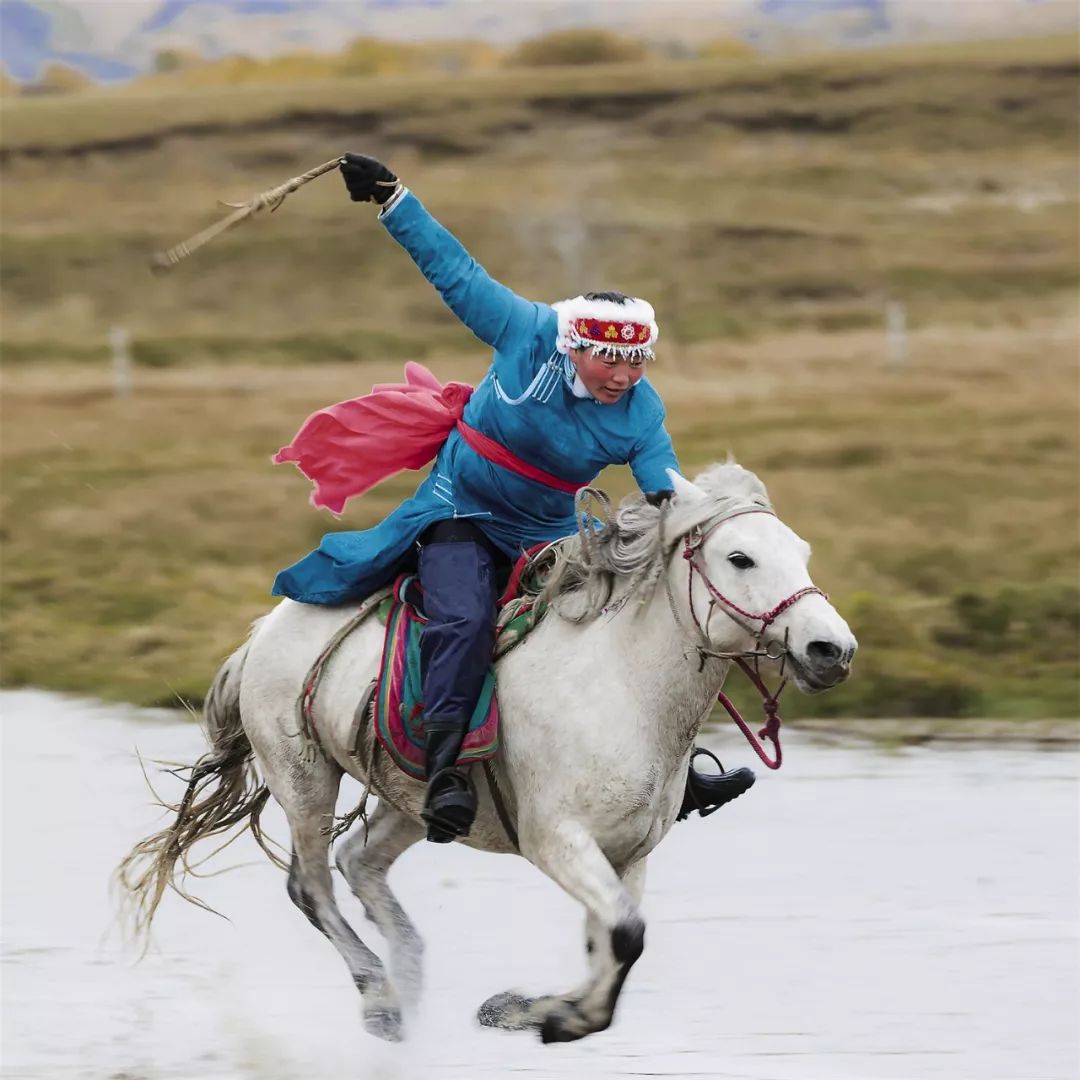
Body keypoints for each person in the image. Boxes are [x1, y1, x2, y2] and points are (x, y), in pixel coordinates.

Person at [273, 153, 755, 842]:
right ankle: (444, 770)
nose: (624, 376)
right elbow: (455, 271)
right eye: (610, 359)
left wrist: (706, 517)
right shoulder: (526, 335)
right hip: (459, 511)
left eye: (636, 361)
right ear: (574, 346)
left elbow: (663, 483)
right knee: (465, 618)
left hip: (550, 533)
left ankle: (669, 769)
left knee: (638, 614)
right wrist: (393, 198)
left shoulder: (641, 409)